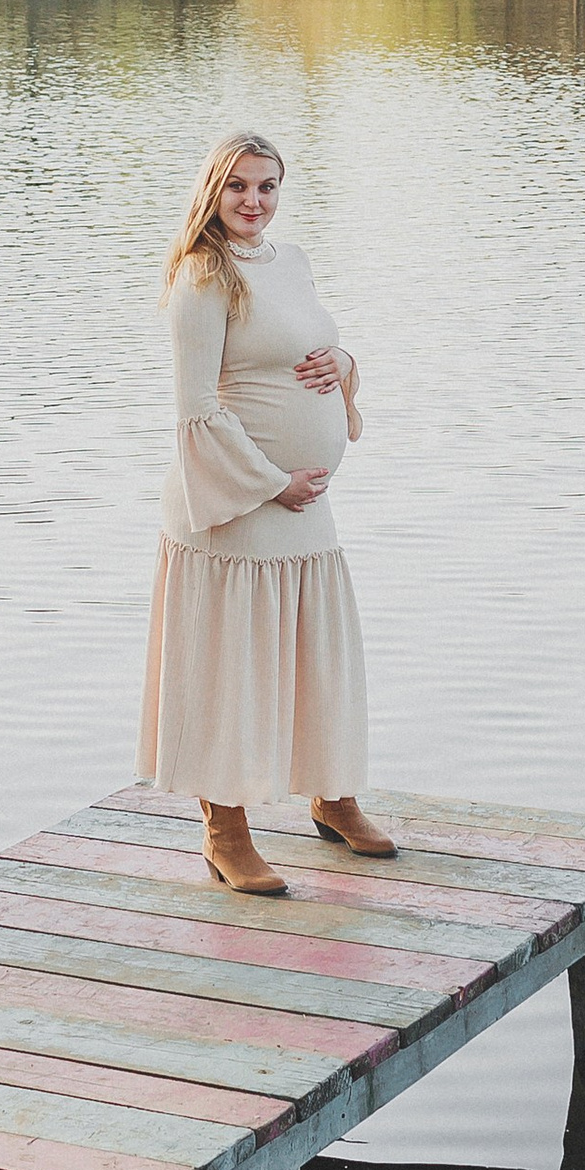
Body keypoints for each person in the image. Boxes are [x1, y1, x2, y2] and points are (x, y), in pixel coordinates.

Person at [141, 131, 397, 895]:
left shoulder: (291, 262)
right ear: (212, 193)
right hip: (239, 503)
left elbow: (318, 350)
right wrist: (269, 481)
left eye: (268, 186)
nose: (254, 201)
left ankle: (333, 794)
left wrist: (342, 364)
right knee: (234, 668)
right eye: (239, 187)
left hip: (303, 503)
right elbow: (194, 411)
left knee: (317, 652)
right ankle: (226, 829)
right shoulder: (202, 277)